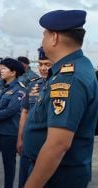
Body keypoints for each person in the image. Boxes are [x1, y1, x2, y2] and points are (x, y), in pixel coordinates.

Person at [23, 10, 98, 187]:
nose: (42, 40)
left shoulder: (69, 77)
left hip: (57, 177)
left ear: (54, 37)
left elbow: (58, 145)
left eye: (44, 35)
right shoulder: (77, 67)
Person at [0, 58, 26, 188]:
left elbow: (11, 110)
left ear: (13, 72)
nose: (0, 70)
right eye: (0, 67)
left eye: (4, 68)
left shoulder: (20, 89)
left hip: (9, 133)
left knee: (9, 164)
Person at [17, 47, 52, 188]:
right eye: (40, 64)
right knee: (23, 181)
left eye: (47, 65)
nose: (43, 68)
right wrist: (20, 138)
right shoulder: (33, 84)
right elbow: (25, 111)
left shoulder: (58, 87)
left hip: (45, 148)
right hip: (27, 146)